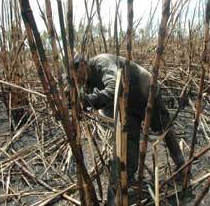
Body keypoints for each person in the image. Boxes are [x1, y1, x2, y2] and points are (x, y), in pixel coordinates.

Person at [73, 53, 185, 183]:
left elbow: (114, 87)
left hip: (144, 90)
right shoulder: (86, 81)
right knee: (129, 135)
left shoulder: (101, 63)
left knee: (163, 127)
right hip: (127, 104)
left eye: (75, 74)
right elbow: (95, 103)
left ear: (82, 65)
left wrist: (88, 100)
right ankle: (129, 178)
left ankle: (182, 166)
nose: (75, 79)